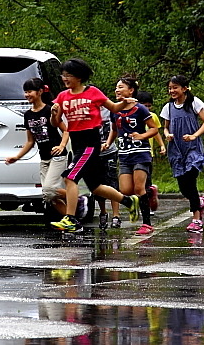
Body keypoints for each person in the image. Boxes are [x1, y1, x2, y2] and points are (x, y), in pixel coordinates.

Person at [49, 58, 141, 233]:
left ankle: (71, 219)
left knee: (70, 177)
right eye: (64, 75)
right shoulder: (62, 96)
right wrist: (54, 114)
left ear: (79, 77)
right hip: (76, 142)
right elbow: (55, 123)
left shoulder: (92, 92)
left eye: (69, 75)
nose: (65, 78)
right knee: (95, 187)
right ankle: (129, 201)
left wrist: (125, 102)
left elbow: (114, 107)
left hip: (90, 142)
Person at [5, 78, 85, 219]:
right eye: (25, 92)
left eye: (30, 91)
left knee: (49, 190)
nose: (27, 95)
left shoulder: (49, 110)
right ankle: (72, 221)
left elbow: (67, 130)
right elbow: (30, 141)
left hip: (58, 156)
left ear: (40, 91)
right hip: (44, 157)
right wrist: (17, 157)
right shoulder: (28, 115)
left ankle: (79, 199)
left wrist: (62, 145)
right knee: (49, 197)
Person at [106, 75, 158, 235]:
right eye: (116, 87)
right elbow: (114, 129)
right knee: (126, 189)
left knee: (138, 187)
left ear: (131, 90)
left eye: (121, 87)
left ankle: (146, 224)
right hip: (124, 155)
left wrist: (142, 136)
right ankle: (150, 192)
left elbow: (154, 128)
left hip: (140, 153)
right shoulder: (115, 110)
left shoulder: (140, 109)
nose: (117, 90)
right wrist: (108, 143)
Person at [160, 75, 204, 233]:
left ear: (185, 88)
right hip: (176, 150)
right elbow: (165, 127)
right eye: (170, 88)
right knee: (183, 187)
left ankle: (196, 219)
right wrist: (167, 134)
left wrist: (194, 135)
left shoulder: (194, 103)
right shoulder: (168, 107)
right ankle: (199, 202)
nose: (172, 91)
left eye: (175, 87)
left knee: (190, 180)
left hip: (193, 149)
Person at [137, 91, 166, 213]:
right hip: (134, 152)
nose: (147, 108)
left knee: (146, 181)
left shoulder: (152, 117)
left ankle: (148, 204)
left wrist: (162, 145)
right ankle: (142, 203)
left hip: (147, 154)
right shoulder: (133, 115)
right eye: (144, 105)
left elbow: (156, 132)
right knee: (137, 184)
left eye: (149, 106)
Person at [97, 106, 121, 229]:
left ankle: (116, 215)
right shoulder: (86, 111)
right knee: (98, 185)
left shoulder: (110, 110)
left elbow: (115, 128)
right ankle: (103, 212)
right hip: (94, 154)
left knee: (112, 182)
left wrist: (108, 143)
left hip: (110, 151)